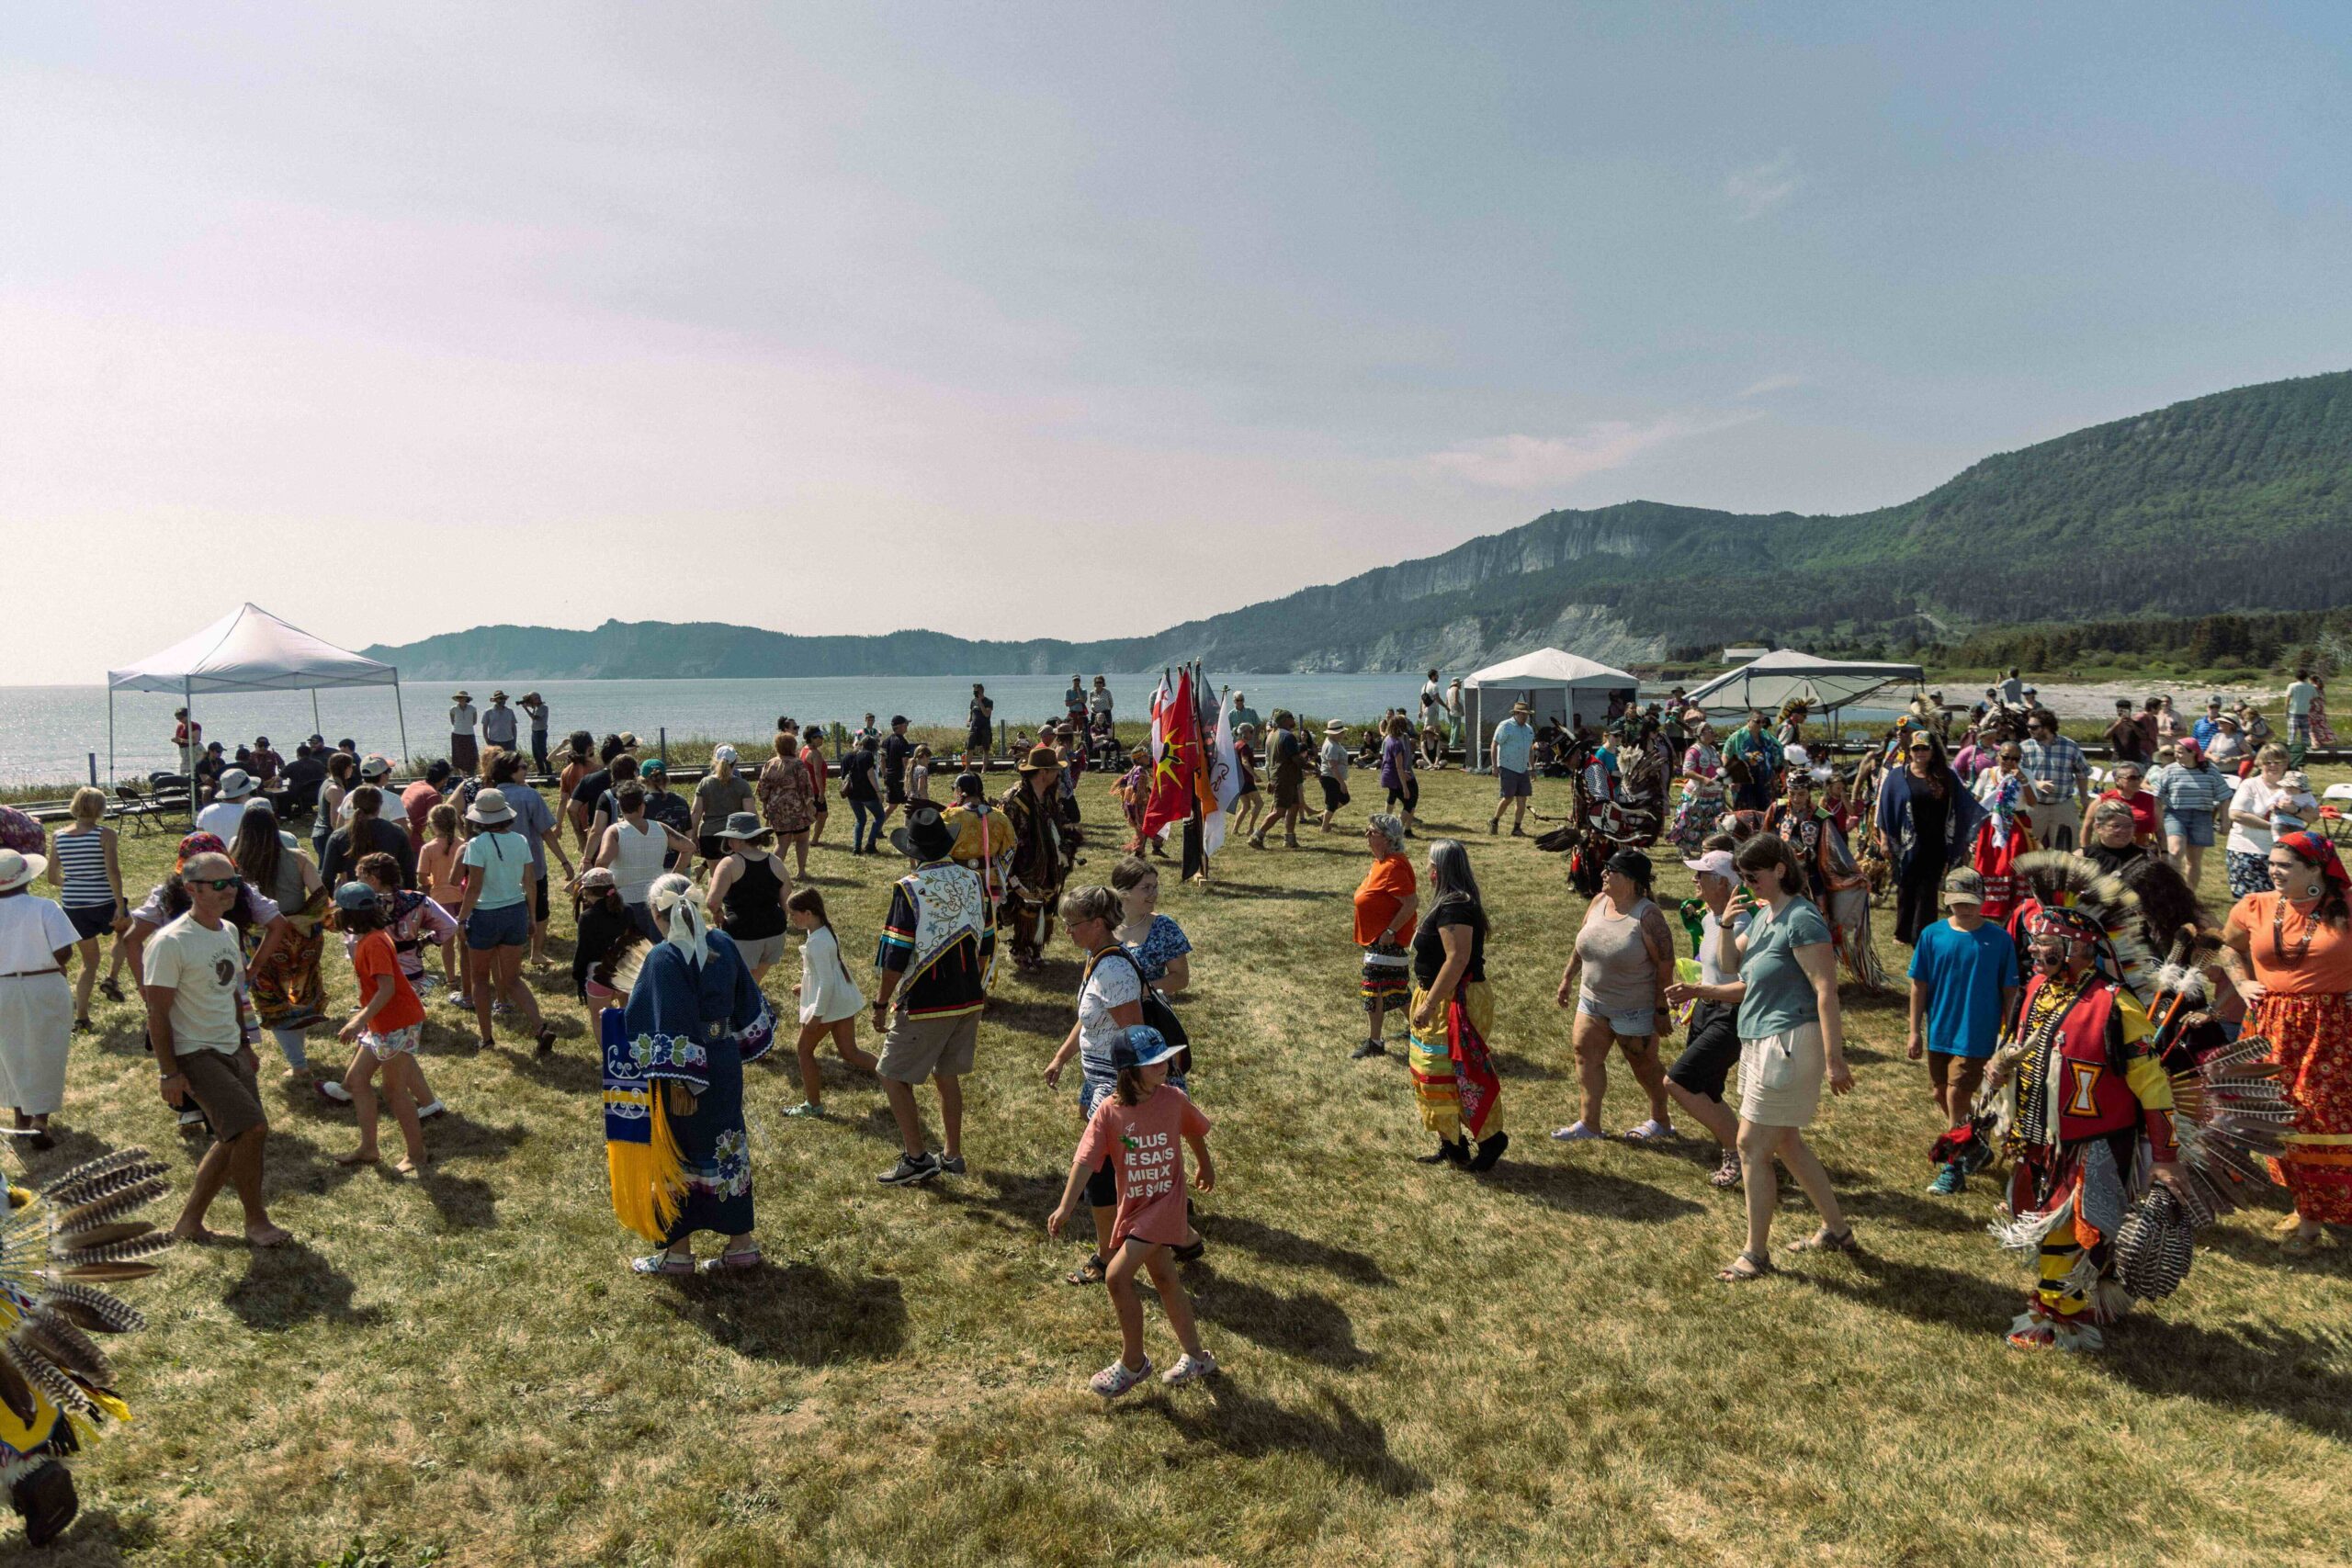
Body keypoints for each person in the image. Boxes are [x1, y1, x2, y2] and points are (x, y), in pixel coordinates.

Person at [1987, 889, 2185, 1349]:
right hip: (2039, 1137)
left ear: (2079, 950)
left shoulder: (2116, 1005)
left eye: (2046, 946)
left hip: (2094, 1142)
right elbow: (2015, 1038)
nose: (2035, 953)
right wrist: (2000, 1063)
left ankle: (2058, 1318)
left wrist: (2166, 1157)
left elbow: (2153, 1085)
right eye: (2033, 945)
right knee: (2043, 1217)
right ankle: (2078, 1298)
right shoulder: (2036, 990)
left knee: (2071, 1226)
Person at [1666, 833, 1857, 1281]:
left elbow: (1826, 991)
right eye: (1743, 877)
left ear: (1781, 871)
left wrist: (1836, 1059)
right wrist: (1727, 924)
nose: (1746, 884)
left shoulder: (1802, 919)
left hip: (1788, 1041)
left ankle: (1755, 1253)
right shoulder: (1767, 914)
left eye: (1752, 876)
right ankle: (1837, 1229)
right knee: (1785, 1142)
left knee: (1751, 1144)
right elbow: (1733, 968)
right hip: (1759, 1039)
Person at [603, 874, 775, 1276]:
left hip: (679, 1079)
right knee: (726, 1149)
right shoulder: (723, 943)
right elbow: (747, 1002)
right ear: (696, 905)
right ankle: (741, 1247)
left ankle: (678, 1255)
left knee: (676, 1156)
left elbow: (660, 1019)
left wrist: (618, 1023)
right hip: (723, 1063)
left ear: (654, 914)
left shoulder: (664, 958)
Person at [1047, 1024, 1217, 1396]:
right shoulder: (1109, 1112)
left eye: (1164, 1057)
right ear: (1129, 1071)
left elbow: (1195, 1130)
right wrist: (1065, 1206)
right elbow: (1085, 1160)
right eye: (1154, 1061)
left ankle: (1133, 1363)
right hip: (1136, 1209)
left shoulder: (1173, 1100)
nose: (1165, 1064)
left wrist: (1205, 1165)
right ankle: (1197, 1357)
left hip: (1166, 1208)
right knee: (1166, 1280)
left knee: (1116, 1277)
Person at [140, 850, 290, 1247]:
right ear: (191, 888)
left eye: (235, 882)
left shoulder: (228, 930)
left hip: (231, 1048)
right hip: (194, 1051)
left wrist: (245, 1045)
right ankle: (256, 1222)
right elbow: (157, 1013)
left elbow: (232, 994)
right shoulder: (169, 942)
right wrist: (169, 1072)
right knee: (252, 1128)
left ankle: (189, 1223)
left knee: (233, 1136)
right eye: (219, 884)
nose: (231, 891)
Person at [2221, 829, 2352, 1254]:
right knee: (2275, 1117)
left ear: (2315, 869)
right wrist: (2241, 984)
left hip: (2330, 1028)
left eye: (2285, 865)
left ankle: (2312, 1224)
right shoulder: (2254, 906)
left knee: (2317, 1116)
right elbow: (2227, 948)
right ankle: (2305, 1201)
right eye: (2272, 864)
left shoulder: (2346, 907)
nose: (2273, 871)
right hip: (2269, 1026)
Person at [871, 804, 989, 1184]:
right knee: (946, 1073)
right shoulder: (973, 880)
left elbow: (895, 954)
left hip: (927, 1001)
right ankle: (952, 1155)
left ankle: (918, 1158)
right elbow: (985, 941)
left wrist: (880, 1002)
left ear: (913, 852)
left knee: (891, 1074)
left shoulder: (910, 889)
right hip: (969, 995)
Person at [1553, 849, 1678, 1144]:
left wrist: (1661, 1011)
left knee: (1645, 1067)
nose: (1603, 874)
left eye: (1611, 871)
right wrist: (1567, 977)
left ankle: (1660, 1120)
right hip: (1592, 1001)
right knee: (1585, 1056)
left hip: (1633, 1009)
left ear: (1632, 881)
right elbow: (1582, 941)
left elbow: (1665, 965)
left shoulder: (1648, 916)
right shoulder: (1598, 902)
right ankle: (1589, 1124)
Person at [1907, 868, 2018, 1196]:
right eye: (1957, 903)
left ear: (1982, 900)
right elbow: (1918, 985)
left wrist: (2009, 1033)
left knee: (1956, 1095)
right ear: (1946, 900)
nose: (1964, 909)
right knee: (1941, 1094)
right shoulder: (1932, 935)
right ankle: (1976, 1146)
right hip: (1941, 1028)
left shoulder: (1999, 940)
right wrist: (1914, 1030)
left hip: (1977, 1033)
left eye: (1970, 902)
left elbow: (2010, 989)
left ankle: (1953, 1166)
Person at [1404, 840, 1505, 1169]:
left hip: (1454, 999)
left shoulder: (1455, 907)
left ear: (1441, 869)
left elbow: (1458, 958)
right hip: (1436, 997)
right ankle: (1452, 1143)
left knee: (1456, 1071)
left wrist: (1430, 1004)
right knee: (1430, 1072)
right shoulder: (1447, 903)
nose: (1427, 869)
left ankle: (1490, 1140)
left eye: (1431, 863)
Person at [327, 881, 429, 1174]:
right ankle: (369, 1148)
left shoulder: (373, 943)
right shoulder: (370, 938)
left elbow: (387, 988)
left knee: (394, 1090)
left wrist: (359, 1018)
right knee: (357, 1080)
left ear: (347, 916)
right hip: (382, 1022)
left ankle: (417, 1154)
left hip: (396, 1022)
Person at [1664, 845, 1750, 1189]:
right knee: (1707, 1087)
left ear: (1723, 883)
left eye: (1701, 874)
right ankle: (1748, 1148)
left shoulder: (1744, 924)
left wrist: (1698, 991)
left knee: (1678, 1081)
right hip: (1706, 1008)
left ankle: (1738, 1151)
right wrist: (1692, 990)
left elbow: (1744, 987)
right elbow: (1716, 972)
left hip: (1731, 1016)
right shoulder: (1707, 917)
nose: (1694, 878)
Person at [228, 803, 329, 1085]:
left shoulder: (234, 864)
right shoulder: (298, 858)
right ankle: (299, 1056)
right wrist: (301, 920)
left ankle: (298, 1062)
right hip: (301, 939)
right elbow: (321, 896)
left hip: (259, 941)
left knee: (273, 999)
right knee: (300, 994)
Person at [458, 792, 556, 1054]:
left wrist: (462, 918)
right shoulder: (521, 840)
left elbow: (474, 886)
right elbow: (530, 881)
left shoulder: (476, 844)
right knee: (512, 979)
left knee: (479, 979)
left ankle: (487, 1038)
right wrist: (532, 917)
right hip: (515, 912)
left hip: (485, 916)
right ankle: (540, 1027)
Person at [1875, 731, 1987, 948]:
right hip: (1905, 843)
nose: (1920, 753)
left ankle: (1924, 935)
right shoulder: (1898, 777)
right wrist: (1885, 841)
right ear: (1909, 752)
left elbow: (1962, 808)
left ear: (1932, 751)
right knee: (1906, 886)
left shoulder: (1946, 776)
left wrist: (1963, 842)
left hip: (1936, 842)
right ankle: (1902, 933)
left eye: (1924, 748)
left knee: (1928, 890)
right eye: (1916, 748)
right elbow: (1884, 811)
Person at [0, 849, 76, 1150]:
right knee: (46, 1050)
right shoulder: (45, 907)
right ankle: (39, 1119)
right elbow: (64, 952)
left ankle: (21, 1117)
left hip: (2, 987)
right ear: (26, 878)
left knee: (10, 1052)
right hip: (42, 982)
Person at [779, 887, 875, 1119]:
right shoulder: (822, 933)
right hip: (841, 1002)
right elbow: (826, 972)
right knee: (850, 1052)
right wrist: (806, 986)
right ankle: (893, 1075)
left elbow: (827, 981)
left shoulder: (818, 942)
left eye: (793, 914)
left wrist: (817, 1015)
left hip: (828, 1006)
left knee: (803, 1051)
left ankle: (813, 1105)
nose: (790, 918)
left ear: (808, 913)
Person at [44, 788, 123, 1035]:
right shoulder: (105, 834)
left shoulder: (59, 836)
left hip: (74, 906)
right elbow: (113, 872)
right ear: (99, 809)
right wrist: (120, 904)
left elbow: (52, 876)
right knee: (128, 934)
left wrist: (73, 883)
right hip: (103, 901)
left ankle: (82, 1018)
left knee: (89, 962)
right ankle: (112, 978)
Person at [1001, 746, 1078, 971]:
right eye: (1054, 770)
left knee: (1047, 902)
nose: (1057, 774)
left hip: (1050, 863)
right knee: (1027, 904)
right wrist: (1011, 873)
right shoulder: (1014, 799)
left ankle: (1035, 948)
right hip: (1024, 864)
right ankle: (1020, 949)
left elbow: (1059, 820)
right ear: (1043, 772)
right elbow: (1005, 838)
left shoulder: (1050, 795)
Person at [1351, 815, 1418, 1060]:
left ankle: (1375, 1042)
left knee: (1375, 989)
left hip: (1386, 941)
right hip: (1378, 939)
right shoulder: (1380, 863)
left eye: (1372, 832)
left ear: (1387, 838)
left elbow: (1411, 902)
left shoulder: (1393, 866)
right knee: (1395, 988)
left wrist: (1390, 931)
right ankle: (1421, 1028)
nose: (1366, 835)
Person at [597, 784, 695, 937]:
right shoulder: (661, 828)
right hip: (656, 899)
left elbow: (602, 863)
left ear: (619, 806)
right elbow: (689, 847)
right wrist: (672, 876)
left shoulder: (615, 832)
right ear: (642, 806)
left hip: (625, 901)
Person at [705, 813, 791, 987]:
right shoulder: (776, 861)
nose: (729, 843)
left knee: (737, 983)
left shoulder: (729, 863)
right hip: (775, 933)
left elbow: (712, 902)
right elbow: (786, 902)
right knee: (752, 982)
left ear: (741, 839)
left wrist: (718, 913)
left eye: (731, 838)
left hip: (743, 935)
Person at [1968, 741, 2038, 922]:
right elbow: (1977, 800)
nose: (2010, 762)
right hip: (1991, 826)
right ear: (1999, 757)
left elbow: (2032, 802)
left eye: (2015, 759)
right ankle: (1991, 908)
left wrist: (2022, 779)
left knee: (2011, 866)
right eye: (2006, 757)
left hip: (2015, 826)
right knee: (1990, 865)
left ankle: (2015, 907)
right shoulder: (1987, 774)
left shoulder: (2026, 774)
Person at [2223, 744, 2301, 900]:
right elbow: (2236, 814)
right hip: (2247, 851)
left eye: (2278, 762)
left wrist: (2296, 811)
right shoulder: (2250, 784)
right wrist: (2274, 828)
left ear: (2286, 763)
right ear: (2259, 763)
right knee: (2252, 903)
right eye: (2268, 762)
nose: (2273, 766)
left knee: (2282, 901)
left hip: (2283, 854)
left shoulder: (2296, 787)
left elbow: (2313, 815)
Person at [2152, 737, 2231, 888]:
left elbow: (2224, 797)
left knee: (2193, 860)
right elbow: (2157, 797)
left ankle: (2190, 894)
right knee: (2175, 852)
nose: (2177, 755)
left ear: (2193, 753)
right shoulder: (2169, 770)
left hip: (2201, 816)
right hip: (2176, 814)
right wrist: (2159, 820)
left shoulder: (2210, 770)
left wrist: (2225, 821)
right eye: (2176, 752)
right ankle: (2174, 890)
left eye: (2181, 752)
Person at [321, 784, 416, 890]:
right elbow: (409, 872)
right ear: (379, 806)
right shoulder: (397, 832)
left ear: (353, 805)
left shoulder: (339, 836)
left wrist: (330, 902)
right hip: (390, 898)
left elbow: (327, 877)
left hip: (353, 898)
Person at [756, 730, 819, 878]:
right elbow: (805, 787)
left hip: (776, 808)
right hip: (796, 807)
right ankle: (801, 871)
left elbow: (762, 788)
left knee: (782, 842)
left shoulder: (770, 764)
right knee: (802, 840)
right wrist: (810, 806)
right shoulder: (797, 764)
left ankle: (772, 873)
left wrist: (765, 805)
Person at [690, 746, 755, 866]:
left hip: (710, 835)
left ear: (715, 761)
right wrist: (755, 838)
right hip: (735, 836)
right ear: (736, 761)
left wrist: (693, 836)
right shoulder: (742, 785)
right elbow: (750, 814)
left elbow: (695, 812)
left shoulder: (705, 783)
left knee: (714, 876)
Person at [1251, 712, 1307, 850]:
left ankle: (1289, 838)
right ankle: (1257, 836)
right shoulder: (1288, 736)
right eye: (1291, 718)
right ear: (1285, 720)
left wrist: (1271, 780)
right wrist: (1312, 767)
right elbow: (1295, 759)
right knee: (1280, 811)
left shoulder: (1271, 735)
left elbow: (1269, 760)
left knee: (1294, 806)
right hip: (1285, 778)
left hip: (1284, 778)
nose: (1293, 720)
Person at [2082, 760, 2159, 849]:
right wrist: (2086, 850)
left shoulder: (2151, 800)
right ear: (2118, 780)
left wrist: (2165, 852)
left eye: (2139, 777)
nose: (2137, 781)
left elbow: (2160, 830)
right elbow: (2087, 828)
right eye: (2132, 778)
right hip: (2110, 851)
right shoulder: (2103, 800)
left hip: (2143, 850)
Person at [1487, 702, 1535, 836]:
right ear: (1516, 713)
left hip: (1522, 768)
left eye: (1527, 715)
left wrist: (1532, 768)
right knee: (1508, 798)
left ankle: (1516, 828)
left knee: (1522, 799)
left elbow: (1530, 750)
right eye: (1523, 714)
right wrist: (1494, 766)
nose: (1525, 717)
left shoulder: (1528, 729)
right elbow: (1494, 745)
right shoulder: (1505, 726)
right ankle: (1495, 821)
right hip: (1507, 766)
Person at [1723, 710, 1783, 814]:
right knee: (1744, 812)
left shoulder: (1766, 736)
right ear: (1749, 721)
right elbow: (1725, 756)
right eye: (1758, 721)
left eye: (1763, 722)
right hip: (1743, 780)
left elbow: (1779, 750)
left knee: (1764, 810)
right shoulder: (1738, 737)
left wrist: (1778, 772)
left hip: (1763, 780)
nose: (1761, 724)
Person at [842, 736, 886, 855]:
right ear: (873, 747)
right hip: (867, 794)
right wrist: (878, 792)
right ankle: (870, 844)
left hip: (852, 794)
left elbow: (843, 777)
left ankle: (856, 847)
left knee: (860, 820)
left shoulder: (847, 756)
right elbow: (871, 775)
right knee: (880, 816)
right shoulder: (867, 755)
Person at [194, 768, 258, 842]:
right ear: (246, 791)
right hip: (241, 853)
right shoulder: (251, 812)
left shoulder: (205, 812)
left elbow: (200, 840)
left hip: (215, 853)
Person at [401, 760, 452, 843]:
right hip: (411, 838)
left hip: (398, 832)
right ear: (444, 779)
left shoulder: (414, 785)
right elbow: (436, 826)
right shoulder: (433, 795)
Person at [1317, 720, 1353, 831]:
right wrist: (1342, 783)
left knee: (1344, 798)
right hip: (1330, 778)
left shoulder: (1334, 742)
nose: (1343, 734)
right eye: (1341, 732)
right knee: (1331, 803)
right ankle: (1324, 827)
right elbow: (1333, 766)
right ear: (1335, 733)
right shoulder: (1331, 746)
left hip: (1333, 777)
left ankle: (1324, 816)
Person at [2105, 700, 2151, 767]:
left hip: (2134, 759)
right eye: (2119, 711)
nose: (2122, 713)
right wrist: (2117, 724)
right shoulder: (2113, 724)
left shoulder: (2137, 724)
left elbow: (2145, 737)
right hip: (2118, 759)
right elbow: (2106, 736)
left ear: (2129, 711)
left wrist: (2133, 726)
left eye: (2124, 711)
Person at [481, 691, 519, 759]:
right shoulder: (488, 712)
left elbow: (513, 727)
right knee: (495, 763)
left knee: (510, 762)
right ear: (495, 700)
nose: (503, 700)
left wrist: (514, 740)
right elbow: (484, 728)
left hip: (509, 742)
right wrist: (487, 741)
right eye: (500, 698)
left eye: (504, 698)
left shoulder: (509, 711)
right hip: (494, 741)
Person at [448, 691, 479, 773]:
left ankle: (471, 774)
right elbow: (452, 721)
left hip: (469, 734)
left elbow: (474, 722)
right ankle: (461, 775)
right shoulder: (453, 709)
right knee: (458, 757)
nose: (461, 699)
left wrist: (466, 727)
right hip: (457, 735)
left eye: (462, 697)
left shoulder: (472, 708)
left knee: (471, 756)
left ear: (466, 698)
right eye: (459, 697)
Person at [519, 693, 549, 774]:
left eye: (537, 698)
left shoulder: (543, 707)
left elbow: (535, 717)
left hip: (540, 732)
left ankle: (549, 770)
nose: (536, 700)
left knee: (542, 752)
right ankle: (541, 771)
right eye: (533, 699)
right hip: (535, 732)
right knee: (536, 753)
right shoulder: (536, 707)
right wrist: (526, 700)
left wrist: (526, 709)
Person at [966, 684, 996, 766]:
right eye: (974, 691)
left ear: (981, 691)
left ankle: (984, 768)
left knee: (985, 750)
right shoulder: (973, 701)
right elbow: (971, 713)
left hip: (985, 728)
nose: (974, 693)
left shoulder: (989, 701)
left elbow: (986, 714)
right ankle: (967, 768)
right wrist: (968, 721)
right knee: (969, 748)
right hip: (974, 728)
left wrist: (980, 702)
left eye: (976, 691)